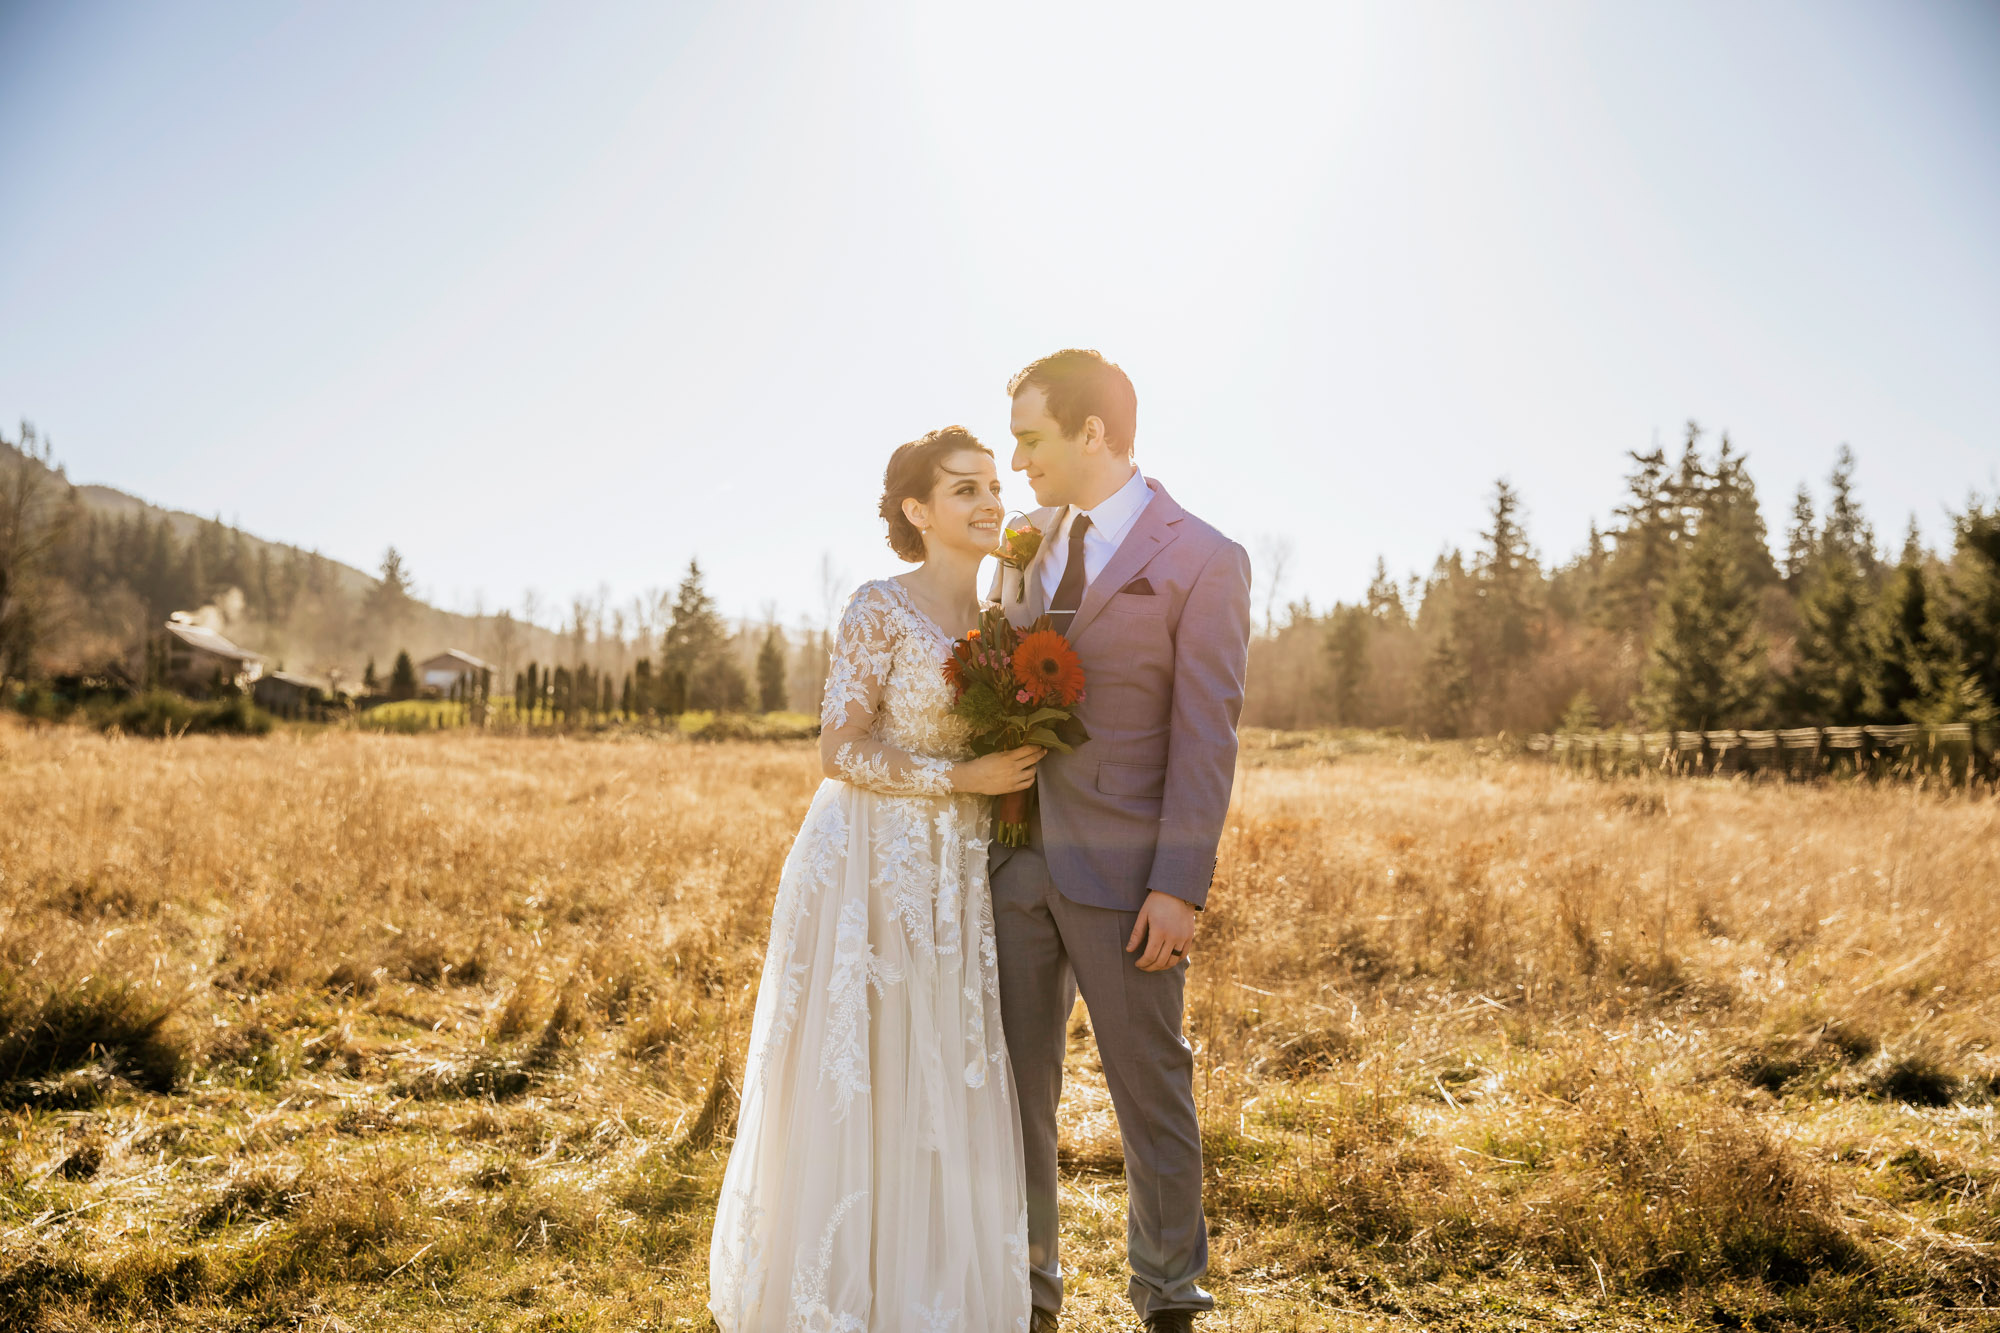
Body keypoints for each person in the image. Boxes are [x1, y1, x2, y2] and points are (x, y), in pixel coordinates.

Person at [709, 426, 1041, 1331]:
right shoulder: (877, 606)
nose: (988, 503)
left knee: (941, 1060)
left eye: (992, 488)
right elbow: (839, 747)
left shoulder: (1009, 621)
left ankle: (927, 1282)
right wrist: (956, 779)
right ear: (916, 510)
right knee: (863, 1063)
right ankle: (837, 1285)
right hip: (867, 860)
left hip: (958, 870)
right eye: (964, 489)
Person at [988, 350, 1253, 1333]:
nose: (1017, 462)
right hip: (1012, 865)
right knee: (1015, 1100)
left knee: (1152, 1095)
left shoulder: (1203, 557)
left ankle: (1168, 1298)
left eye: (1030, 438)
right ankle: (1028, 1295)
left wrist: (1178, 885)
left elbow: (1204, 735)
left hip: (1129, 882)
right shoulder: (1019, 543)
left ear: (1091, 432)